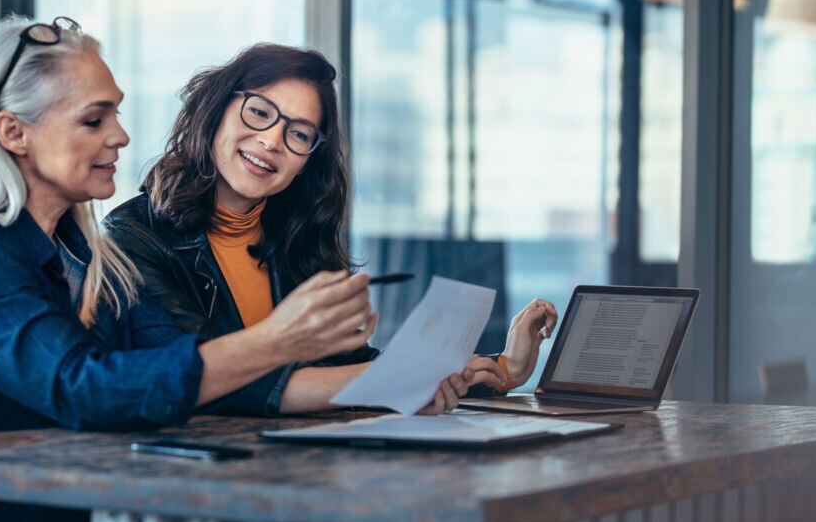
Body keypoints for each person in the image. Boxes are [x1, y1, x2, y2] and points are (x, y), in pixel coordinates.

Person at [0, 17, 407, 522]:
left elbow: (159, 372)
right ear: (14, 132)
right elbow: (84, 388)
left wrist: (405, 378)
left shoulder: (86, 255)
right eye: (94, 120)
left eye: (117, 115)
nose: (121, 136)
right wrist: (278, 340)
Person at [104, 43, 559, 416]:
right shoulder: (132, 237)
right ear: (216, 110)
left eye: (299, 134)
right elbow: (202, 380)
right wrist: (396, 382)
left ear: (307, 162)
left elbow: (347, 367)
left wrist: (503, 368)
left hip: (296, 469)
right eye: (259, 112)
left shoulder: (295, 238)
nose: (272, 140)